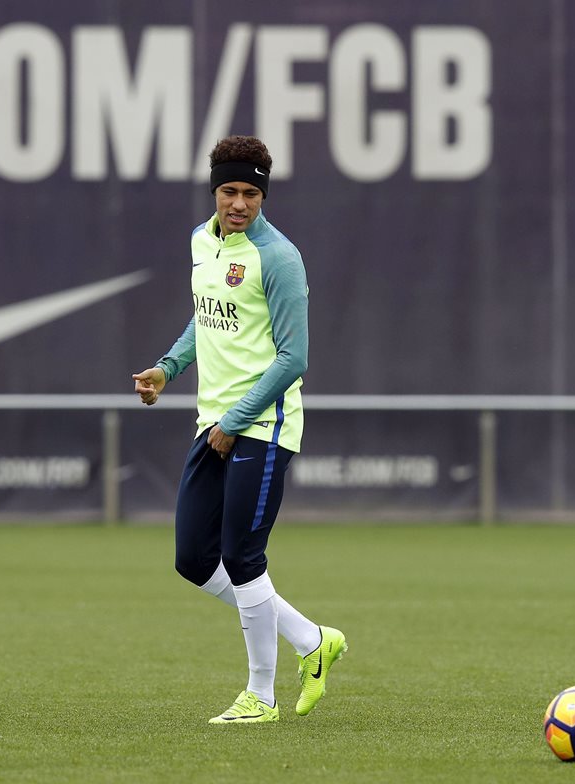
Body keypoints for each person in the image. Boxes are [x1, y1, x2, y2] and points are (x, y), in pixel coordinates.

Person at [132, 135, 346, 724]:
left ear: (263, 195)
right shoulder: (203, 242)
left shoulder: (278, 257)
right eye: (230, 190)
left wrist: (235, 420)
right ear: (214, 189)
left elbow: (293, 357)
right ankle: (311, 640)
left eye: (251, 192)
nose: (240, 203)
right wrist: (168, 368)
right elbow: (207, 318)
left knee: (243, 556)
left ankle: (261, 696)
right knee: (194, 560)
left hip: (263, 427)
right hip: (215, 423)